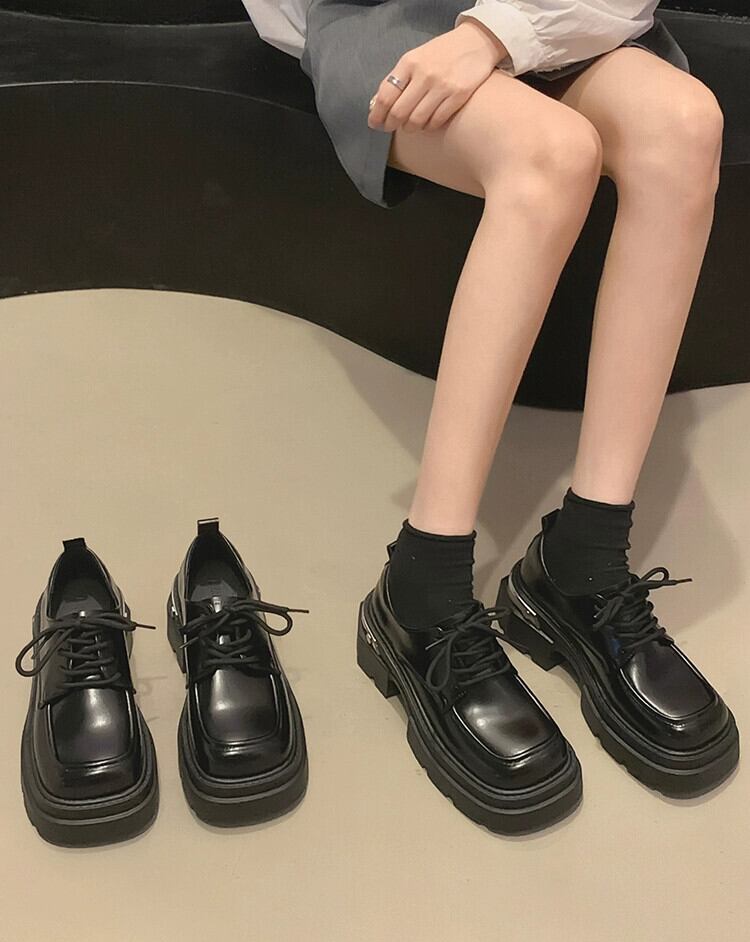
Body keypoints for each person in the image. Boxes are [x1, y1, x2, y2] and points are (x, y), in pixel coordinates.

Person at [245, 1, 740, 833]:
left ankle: (584, 560)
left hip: (568, 13)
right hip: (398, 16)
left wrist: (498, 35)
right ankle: (422, 587)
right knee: (551, 155)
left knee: (687, 126)